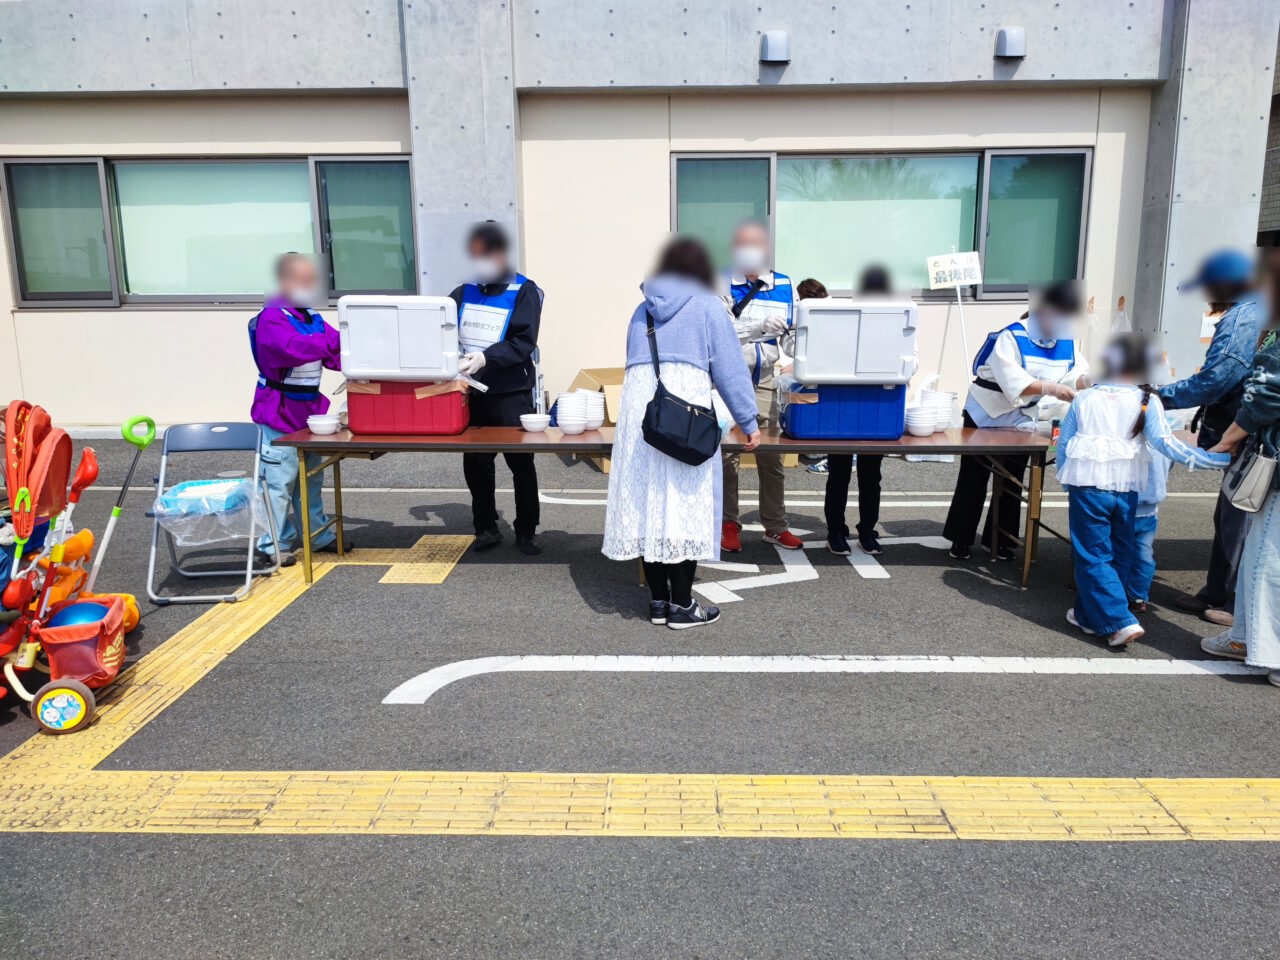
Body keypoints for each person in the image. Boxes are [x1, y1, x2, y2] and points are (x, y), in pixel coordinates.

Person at [602, 237, 761, 630]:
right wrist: (749, 420)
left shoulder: (641, 311)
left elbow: (632, 367)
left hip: (645, 416)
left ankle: (658, 603)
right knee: (684, 507)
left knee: (649, 504)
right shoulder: (707, 306)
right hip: (684, 413)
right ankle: (684, 606)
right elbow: (730, 368)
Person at [1058, 334, 1230, 647]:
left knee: (1092, 556)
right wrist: (1216, 459)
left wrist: (1064, 478)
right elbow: (1168, 444)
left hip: (1087, 487)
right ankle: (1088, 616)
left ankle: (1118, 620)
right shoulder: (1148, 401)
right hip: (1126, 489)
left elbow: (1064, 444)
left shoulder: (1084, 398)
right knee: (1120, 552)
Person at [944, 280, 1091, 560]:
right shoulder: (1012, 336)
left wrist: (1088, 380)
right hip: (986, 412)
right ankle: (960, 539)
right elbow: (1013, 381)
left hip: (1022, 416)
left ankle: (1000, 540)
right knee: (975, 477)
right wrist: (1051, 388)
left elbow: (1075, 373)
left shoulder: (1065, 339)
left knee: (1013, 478)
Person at [1156, 249, 1264, 628]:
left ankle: (1234, 602)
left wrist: (1160, 395)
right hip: (1244, 428)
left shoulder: (1243, 317)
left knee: (1241, 515)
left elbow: (1217, 378)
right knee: (1229, 513)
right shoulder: (1254, 311)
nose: (1207, 298)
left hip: (1250, 432)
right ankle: (1216, 591)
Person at [1200, 246, 1280, 685]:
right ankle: (1245, 636)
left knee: (1268, 557)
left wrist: (1226, 439)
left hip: (1273, 456)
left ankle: (1266, 648)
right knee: (1258, 553)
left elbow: (1265, 393)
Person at [448, 222, 544, 556]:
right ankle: (486, 527)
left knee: (521, 463)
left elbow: (523, 341)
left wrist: (486, 357)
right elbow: (442, 330)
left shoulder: (524, 290)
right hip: (470, 392)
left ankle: (527, 529)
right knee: (476, 462)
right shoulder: (463, 292)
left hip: (510, 392)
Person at [249, 253, 346, 567]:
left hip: (308, 414)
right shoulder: (272, 316)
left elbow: (336, 352)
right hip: (278, 413)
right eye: (305, 280)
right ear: (286, 281)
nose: (311, 286)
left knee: (311, 478)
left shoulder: (310, 316)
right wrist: (330, 343)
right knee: (279, 482)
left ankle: (318, 535)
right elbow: (292, 348)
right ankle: (271, 544)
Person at [719, 220, 802, 554]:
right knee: (728, 458)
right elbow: (721, 332)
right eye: (743, 244)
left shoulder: (784, 284)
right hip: (727, 380)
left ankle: (775, 526)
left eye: (756, 243)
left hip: (766, 378)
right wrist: (758, 328)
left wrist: (803, 345)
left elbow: (794, 336)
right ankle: (727, 524)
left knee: (771, 458)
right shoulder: (720, 281)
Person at [806, 269, 890, 556]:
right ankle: (835, 531)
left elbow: (911, 361)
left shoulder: (895, 320)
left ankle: (868, 530)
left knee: (871, 474)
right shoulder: (849, 318)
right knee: (839, 471)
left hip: (876, 406)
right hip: (842, 404)